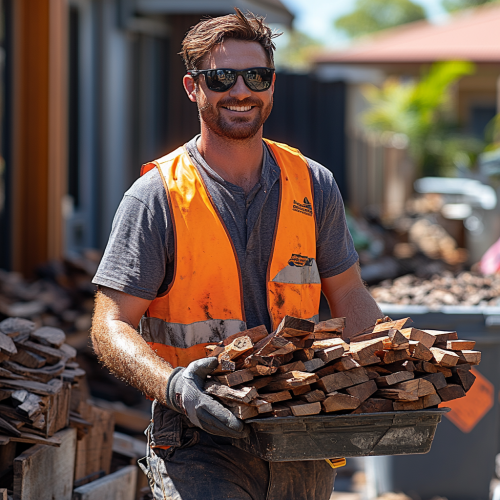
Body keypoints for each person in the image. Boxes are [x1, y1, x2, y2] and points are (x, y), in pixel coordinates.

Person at [91, 8, 382, 500]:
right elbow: (110, 323)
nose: (240, 91)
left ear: (272, 86)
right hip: (199, 438)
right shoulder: (157, 195)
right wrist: (177, 387)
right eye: (222, 77)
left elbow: (349, 294)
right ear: (193, 88)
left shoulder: (313, 183)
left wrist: (397, 370)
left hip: (300, 436)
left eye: (256, 76)